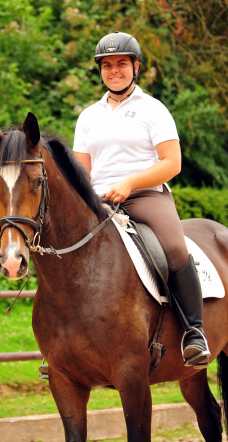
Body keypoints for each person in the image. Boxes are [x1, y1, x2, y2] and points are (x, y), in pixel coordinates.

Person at [73, 31, 210, 369]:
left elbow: (171, 164)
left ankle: (195, 331)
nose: (114, 70)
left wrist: (130, 183)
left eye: (121, 63)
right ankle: (62, 344)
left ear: (135, 67)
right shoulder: (88, 115)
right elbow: (81, 169)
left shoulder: (153, 109)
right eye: (107, 65)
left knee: (175, 248)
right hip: (99, 198)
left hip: (145, 195)